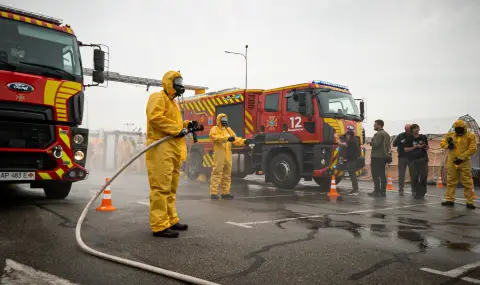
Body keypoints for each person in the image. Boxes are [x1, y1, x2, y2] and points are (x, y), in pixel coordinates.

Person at [145, 70, 199, 238]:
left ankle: (170, 219)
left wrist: (188, 124)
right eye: (178, 82)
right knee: (160, 187)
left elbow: (175, 124)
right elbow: (155, 117)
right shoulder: (158, 97)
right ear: (170, 83)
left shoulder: (173, 103)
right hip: (161, 147)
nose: (181, 86)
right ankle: (159, 226)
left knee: (171, 187)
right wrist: (178, 129)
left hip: (173, 148)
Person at [209, 113, 250, 200]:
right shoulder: (214, 129)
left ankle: (225, 193)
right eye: (223, 120)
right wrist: (226, 139)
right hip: (219, 154)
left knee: (227, 175)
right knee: (217, 173)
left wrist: (244, 141)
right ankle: (214, 193)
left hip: (228, 155)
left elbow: (235, 139)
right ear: (219, 120)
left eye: (225, 119)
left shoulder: (228, 130)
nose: (224, 121)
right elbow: (215, 137)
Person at [440, 120, 477, 209]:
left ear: (464, 128)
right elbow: (442, 143)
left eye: (460, 129)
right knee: (451, 180)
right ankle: (450, 200)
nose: (458, 131)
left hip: (464, 162)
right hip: (452, 161)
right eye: (457, 129)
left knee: (467, 181)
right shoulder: (450, 135)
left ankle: (469, 202)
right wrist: (448, 146)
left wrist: (461, 158)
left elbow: (473, 148)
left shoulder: (471, 136)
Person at [404, 124, 429, 199]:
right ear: (412, 130)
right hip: (413, 160)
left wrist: (424, 146)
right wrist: (415, 147)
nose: (416, 129)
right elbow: (405, 149)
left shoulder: (423, 137)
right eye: (414, 128)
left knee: (423, 177)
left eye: (417, 128)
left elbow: (427, 147)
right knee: (414, 177)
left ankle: (421, 193)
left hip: (423, 159)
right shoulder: (409, 138)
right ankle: (417, 191)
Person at [368, 119, 391, 197]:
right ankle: (383, 191)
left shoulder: (379, 134)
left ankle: (377, 191)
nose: (374, 126)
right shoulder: (386, 134)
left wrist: (371, 142)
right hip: (384, 156)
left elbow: (375, 144)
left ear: (379, 125)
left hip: (377, 157)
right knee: (382, 175)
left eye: (375, 124)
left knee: (375, 175)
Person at [340, 131, 361, 196]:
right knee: (352, 175)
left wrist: (346, 158)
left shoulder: (351, 142)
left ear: (349, 135)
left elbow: (348, 150)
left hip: (351, 160)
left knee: (352, 175)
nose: (346, 136)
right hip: (354, 160)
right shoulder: (355, 141)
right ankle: (355, 189)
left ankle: (355, 190)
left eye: (347, 135)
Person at [393, 124, 412, 196]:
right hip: (402, 157)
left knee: (413, 174)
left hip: (411, 158)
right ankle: (401, 189)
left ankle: (414, 190)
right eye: (406, 129)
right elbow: (394, 144)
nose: (407, 131)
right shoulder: (400, 135)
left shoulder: (414, 136)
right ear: (404, 129)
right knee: (401, 174)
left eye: (408, 129)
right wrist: (401, 142)